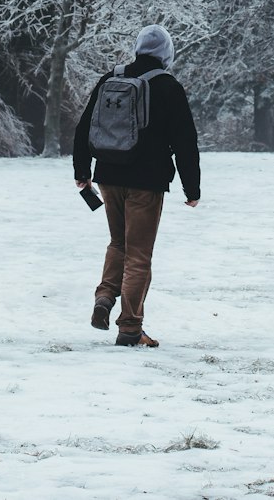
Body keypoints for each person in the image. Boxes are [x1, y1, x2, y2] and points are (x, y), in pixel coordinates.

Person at [73, 23, 200, 347]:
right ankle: (130, 327)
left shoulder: (111, 79)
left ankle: (104, 297)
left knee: (118, 244)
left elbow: (84, 126)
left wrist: (82, 171)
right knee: (139, 255)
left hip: (109, 177)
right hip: (146, 183)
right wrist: (192, 188)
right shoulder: (167, 86)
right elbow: (185, 141)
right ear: (166, 54)